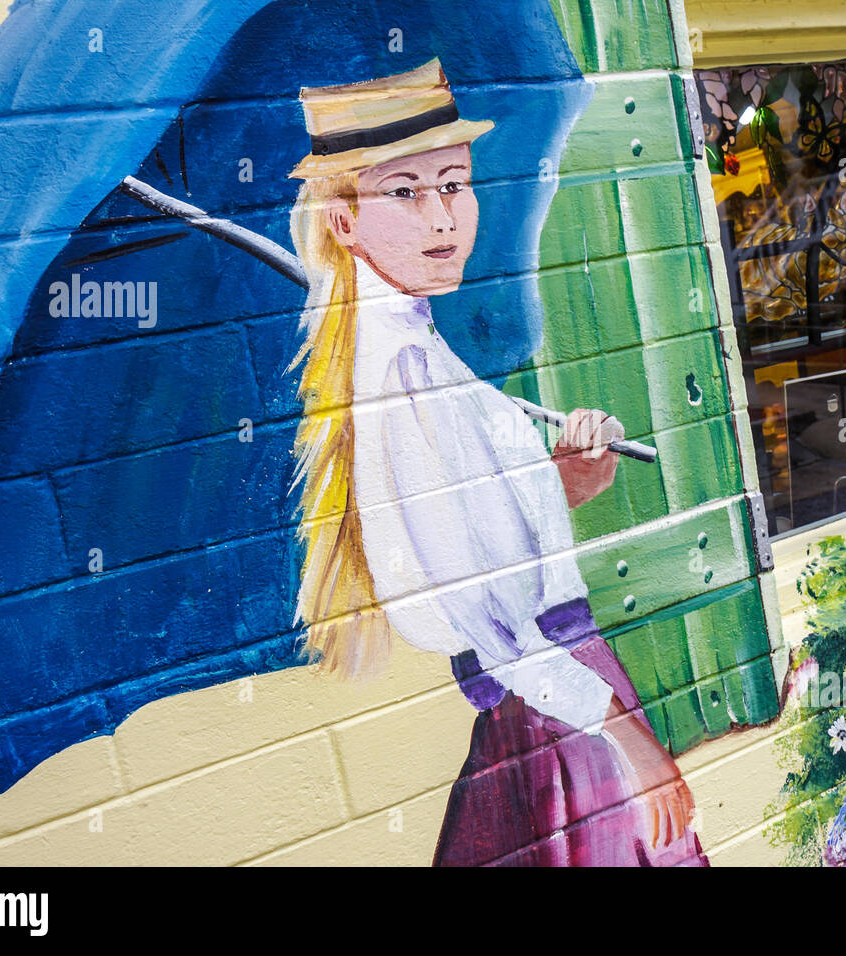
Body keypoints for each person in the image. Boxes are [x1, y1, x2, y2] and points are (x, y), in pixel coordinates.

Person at [286, 58, 705, 866]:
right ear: (343, 224)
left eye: (455, 182)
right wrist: (633, 747)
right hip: (557, 722)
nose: (443, 216)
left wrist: (559, 484)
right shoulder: (399, 372)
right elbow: (503, 632)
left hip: (559, 710)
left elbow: (482, 541)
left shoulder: (417, 345)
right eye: (405, 192)